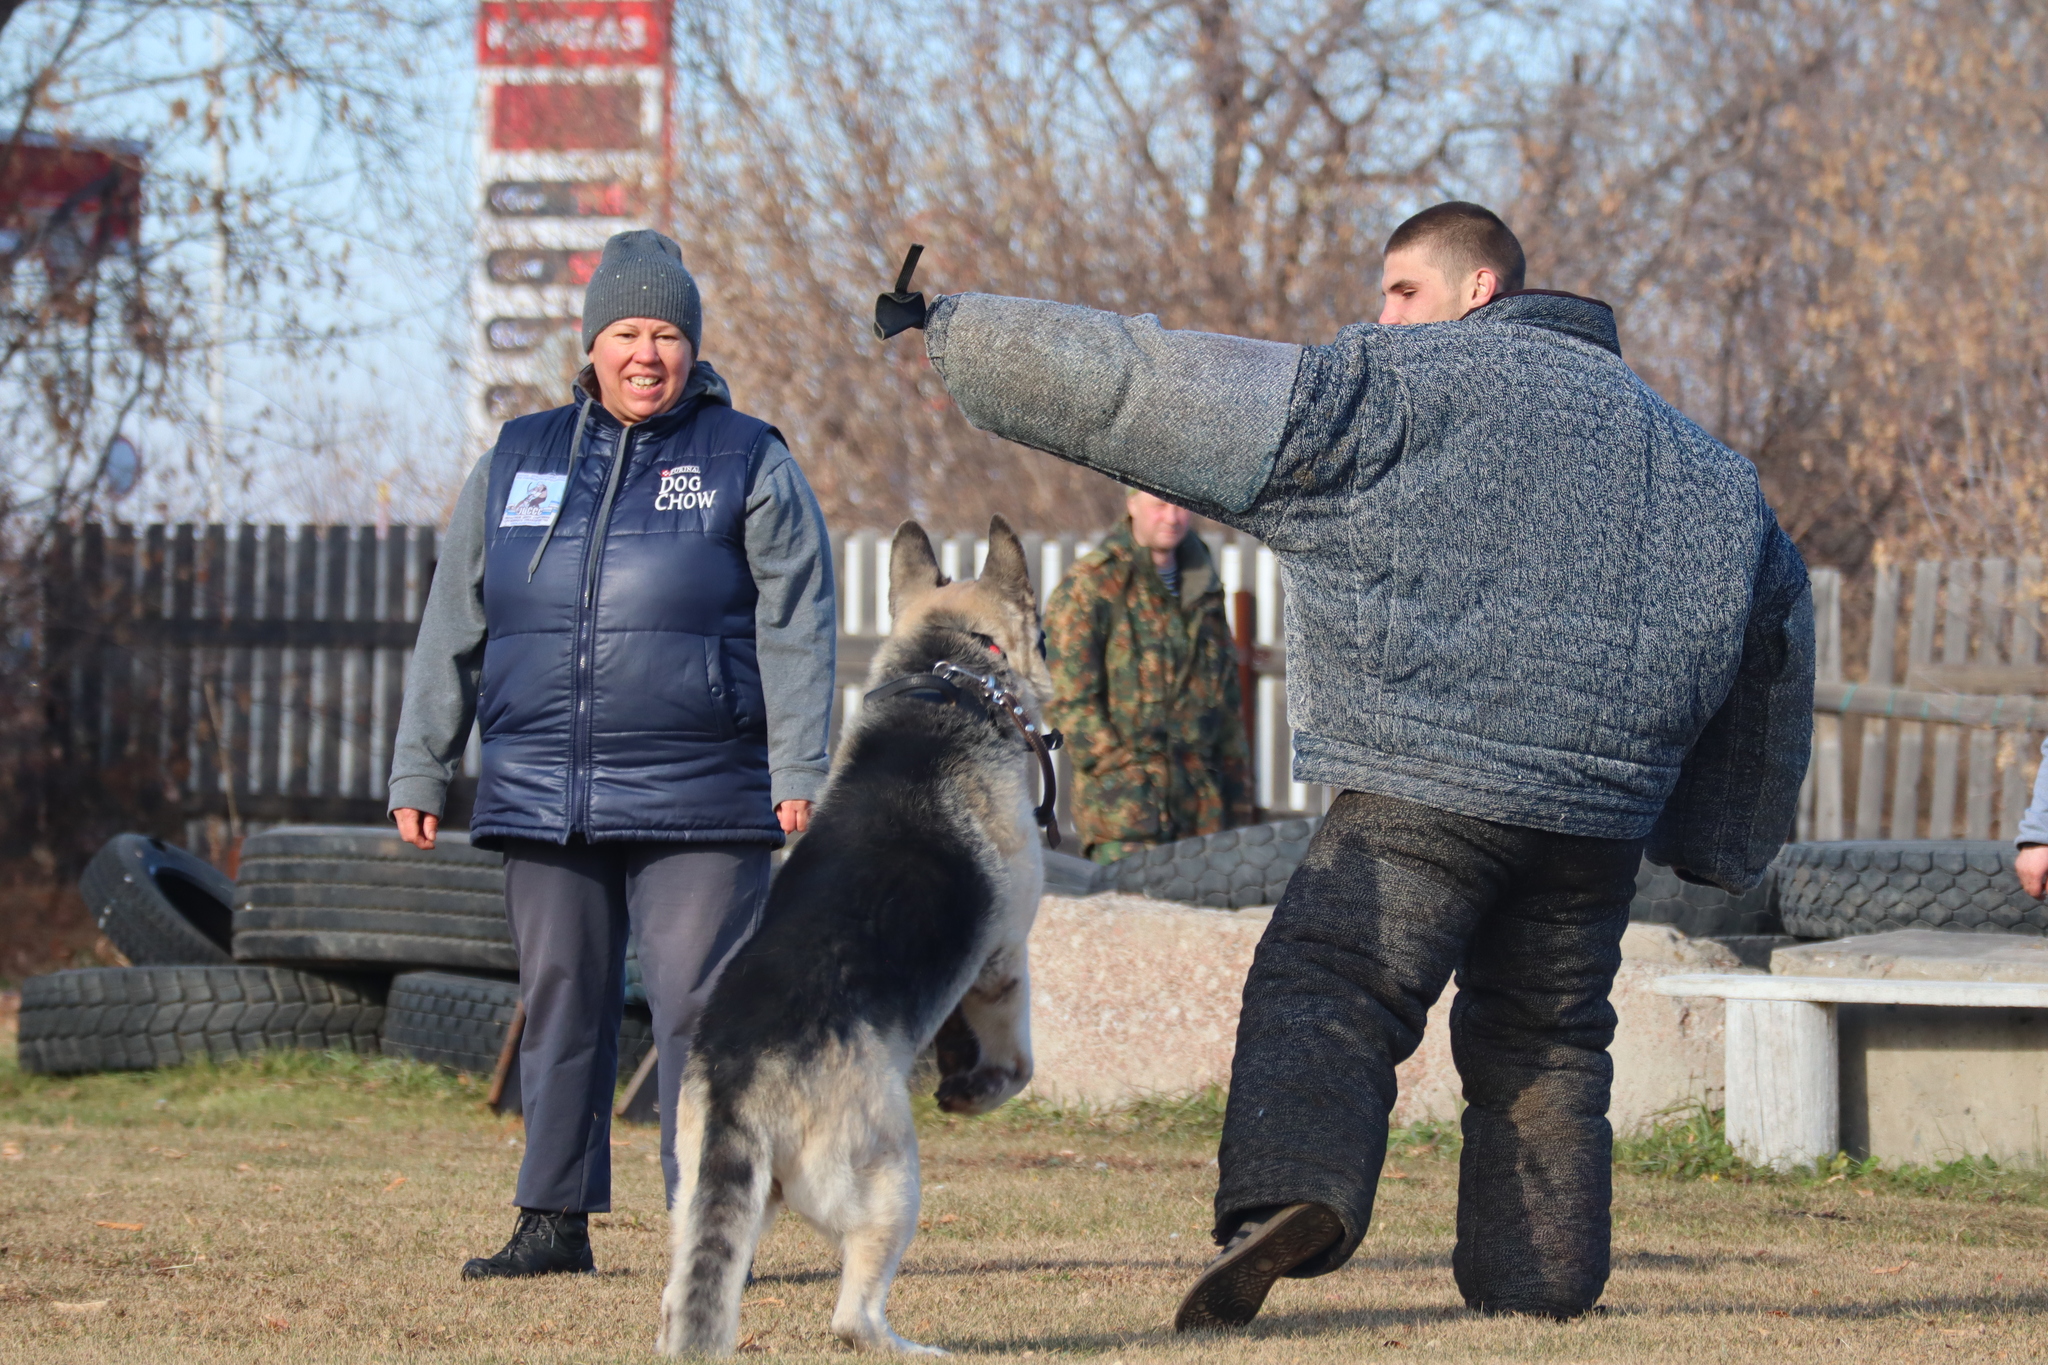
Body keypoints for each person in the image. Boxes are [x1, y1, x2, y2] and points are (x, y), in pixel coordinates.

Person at [880, 201, 1813, 1323]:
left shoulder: (1397, 390)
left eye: (1399, 293)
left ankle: (1289, 1195)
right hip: (1595, 814)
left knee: (1331, 981)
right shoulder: (1706, 469)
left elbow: (1149, 384)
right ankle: (1540, 1287)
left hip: (1428, 784)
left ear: (1479, 290)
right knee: (1548, 1037)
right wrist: (1719, 846)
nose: (1380, 318)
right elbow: (1774, 641)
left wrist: (957, 328)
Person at [388, 229, 836, 1279]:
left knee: (698, 1013)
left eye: (668, 334)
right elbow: (452, 619)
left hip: (707, 793)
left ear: (693, 348)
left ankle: (706, 1228)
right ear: (591, 344)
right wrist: (421, 765)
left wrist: (798, 770)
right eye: (628, 331)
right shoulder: (515, 457)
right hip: (546, 788)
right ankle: (550, 1222)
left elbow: (798, 623)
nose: (647, 353)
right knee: (559, 1000)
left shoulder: (747, 457)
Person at [1046, 486, 1254, 863]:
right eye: (1159, 505)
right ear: (1132, 504)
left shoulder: (1202, 586)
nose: (1172, 517)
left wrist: (1239, 806)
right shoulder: (1093, 585)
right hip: (1127, 819)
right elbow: (1069, 702)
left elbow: (1225, 707)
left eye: (1180, 505)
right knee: (1129, 920)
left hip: (1202, 817)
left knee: (1200, 923)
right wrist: (1121, 772)